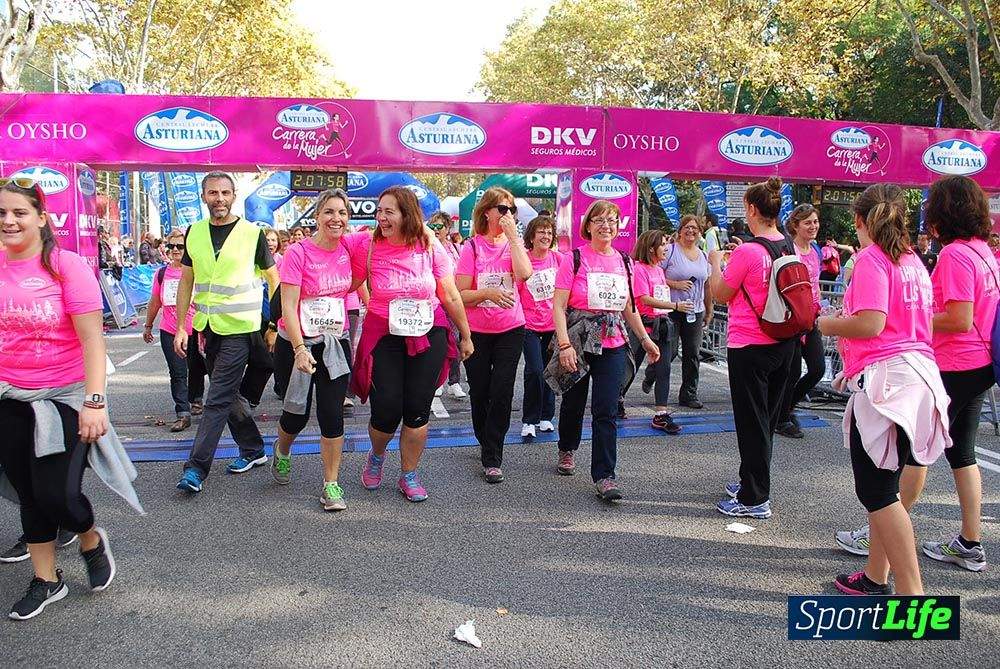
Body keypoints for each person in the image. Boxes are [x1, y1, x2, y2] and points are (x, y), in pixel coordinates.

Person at [836, 176, 997, 573]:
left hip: (954, 362)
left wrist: (908, 315)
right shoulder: (981, 251)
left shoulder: (955, 255)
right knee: (961, 452)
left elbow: (959, 318)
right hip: (977, 362)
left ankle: (885, 536)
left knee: (905, 462)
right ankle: (968, 540)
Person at [0, 178, 142, 620]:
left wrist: (95, 402)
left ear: (41, 218)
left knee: (57, 494)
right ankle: (47, 580)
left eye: (19, 212)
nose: (9, 221)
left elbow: (92, 341)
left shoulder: (67, 266)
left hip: (64, 394)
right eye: (1, 213)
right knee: (28, 492)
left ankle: (89, 537)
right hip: (9, 395)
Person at [818, 183, 947, 596]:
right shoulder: (913, 261)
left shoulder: (872, 260)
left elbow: (872, 324)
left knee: (877, 491)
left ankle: (912, 596)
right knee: (886, 486)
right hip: (917, 376)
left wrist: (826, 323)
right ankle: (876, 575)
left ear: (859, 220)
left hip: (886, 381)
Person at [350, 186, 473, 502]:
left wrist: (466, 334)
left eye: (389, 211)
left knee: (418, 409)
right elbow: (336, 262)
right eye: (379, 211)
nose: (382, 218)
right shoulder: (367, 244)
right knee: (386, 408)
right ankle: (376, 456)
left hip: (426, 332)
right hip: (384, 334)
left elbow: (449, 293)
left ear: (407, 214)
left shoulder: (429, 244)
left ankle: (409, 473)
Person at [547, 199, 661, 501]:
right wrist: (564, 345)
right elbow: (558, 306)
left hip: (613, 341)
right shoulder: (573, 258)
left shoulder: (625, 261)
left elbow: (628, 306)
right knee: (573, 402)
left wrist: (645, 339)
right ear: (588, 225)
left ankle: (605, 476)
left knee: (606, 409)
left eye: (612, 220)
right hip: (580, 341)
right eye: (599, 220)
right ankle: (567, 448)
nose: (606, 225)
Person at [173, 172, 279, 493]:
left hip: (242, 330)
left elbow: (274, 280)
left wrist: (273, 324)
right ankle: (253, 448)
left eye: (225, 193)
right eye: (212, 193)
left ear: (234, 196)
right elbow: (186, 282)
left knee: (216, 398)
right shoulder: (194, 233)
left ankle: (196, 468)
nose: (219, 198)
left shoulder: (252, 234)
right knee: (228, 394)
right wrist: (181, 326)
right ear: (204, 196)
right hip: (206, 330)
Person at [707, 177, 796, 519]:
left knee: (752, 422)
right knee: (767, 419)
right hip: (785, 341)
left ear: (753, 210)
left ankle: (755, 498)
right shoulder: (788, 247)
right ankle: (751, 481)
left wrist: (716, 262)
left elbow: (722, 293)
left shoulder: (747, 251)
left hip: (750, 343)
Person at [271, 189, 365, 511]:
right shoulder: (298, 253)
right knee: (295, 415)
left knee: (331, 413)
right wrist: (298, 349)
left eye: (341, 213)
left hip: (334, 342)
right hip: (295, 342)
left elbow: (386, 239)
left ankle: (331, 484)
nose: (335, 219)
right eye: (328, 212)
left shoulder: (349, 248)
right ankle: (282, 451)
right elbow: (288, 306)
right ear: (317, 216)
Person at [456, 187, 532, 483]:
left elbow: (524, 274)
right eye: (502, 209)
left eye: (511, 210)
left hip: (511, 327)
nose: (507, 214)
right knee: (480, 391)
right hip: (477, 330)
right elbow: (460, 294)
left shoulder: (515, 243)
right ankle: (484, 436)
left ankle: (492, 455)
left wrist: (514, 238)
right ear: (486, 212)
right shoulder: (471, 247)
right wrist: (487, 292)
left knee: (502, 391)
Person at [624, 229, 693, 433]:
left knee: (665, 368)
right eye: (663, 244)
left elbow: (658, 298)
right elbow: (642, 298)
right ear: (651, 248)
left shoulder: (659, 270)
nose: (666, 248)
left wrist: (669, 308)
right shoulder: (640, 269)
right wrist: (675, 306)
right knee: (630, 367)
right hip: (642, 325)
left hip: (661, 323)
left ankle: (661, 414)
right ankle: (617, 400)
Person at [142, 228, 204, 432]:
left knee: (197, 369)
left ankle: (197, 399)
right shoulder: (162, 273)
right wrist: (148, 325)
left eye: (180, 246)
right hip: (170, 330)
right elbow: (154, 302)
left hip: (197, 329)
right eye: (171, 246)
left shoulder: (197, 271)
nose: (175, 250)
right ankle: (182, 413)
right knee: (177, 372)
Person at [775, 204, 826, 439]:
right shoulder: (789, 250)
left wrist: (822, 307)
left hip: (812, 317)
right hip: (792, 318)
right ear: (795, 225)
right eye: (807, 222)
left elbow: (815, 283)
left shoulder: (816, 249)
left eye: (815, 221)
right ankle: (782, 418)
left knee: (817, 369)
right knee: (792, 371)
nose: (813, 226)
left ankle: (786, 408)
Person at [662, 215, 712, 409]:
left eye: (695, 229)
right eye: (687, 228)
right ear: (680, 230)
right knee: (670, 351)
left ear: (700, 233)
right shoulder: (670, 251)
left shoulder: (703, 255)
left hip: (695, 309)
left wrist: (709, 309)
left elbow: (707, 285)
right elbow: (654, 276)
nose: (691, 231)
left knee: (692, 353)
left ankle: (689, 394)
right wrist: (675, 284)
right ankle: (652, 375)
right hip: (672, 308)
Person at [518, 215, 561, 438]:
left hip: (553, 325)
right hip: (529, 325)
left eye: (549, 232)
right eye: (541, 232)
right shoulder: (523, 259)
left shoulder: (558, 259)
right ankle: (529, 419)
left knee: (549, 371)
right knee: (534, 370)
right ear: (532, 236)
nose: (546, 236)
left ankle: (546, 416)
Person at [429, 211, 467, 399]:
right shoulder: (426, 247)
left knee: (456, 341)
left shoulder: (457, 249)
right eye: (432, 226)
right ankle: (437, 381)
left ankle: (454, 381)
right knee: (438, 344)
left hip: (453, 302)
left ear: (447, 229)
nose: (435, 230)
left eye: (439, 226)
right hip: (433, 304)